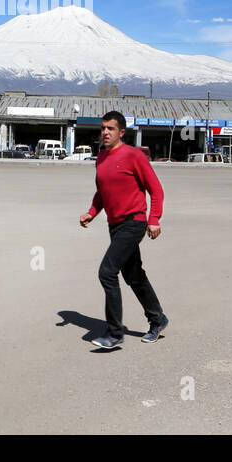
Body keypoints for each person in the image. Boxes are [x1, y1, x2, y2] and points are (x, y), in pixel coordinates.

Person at [80, 111, 168, 350]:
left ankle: (115, 332)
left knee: (107, 272)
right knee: (133, 275)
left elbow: (156, 190)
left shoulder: (134, 156)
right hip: (115, 224)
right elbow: (102, 191)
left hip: (134, 222)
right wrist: (91, 212)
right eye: (102, 128)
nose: (105, 132)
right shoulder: (101, 157)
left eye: (110, 128)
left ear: (121, 132)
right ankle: (158, 319)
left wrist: (154, 219)